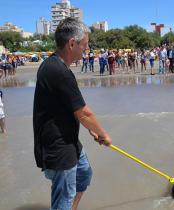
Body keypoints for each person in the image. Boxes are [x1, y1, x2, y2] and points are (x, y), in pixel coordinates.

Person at [33, 17, 112, 210]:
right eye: (84, 46)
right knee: (63, 199)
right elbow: (85, 112)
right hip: (59, 147)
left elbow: (69, 106)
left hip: (70, 141)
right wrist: (104, 135)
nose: (86, 50)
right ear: (71, 43)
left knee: (84, 174)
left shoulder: (55, 65)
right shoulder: (58, 70)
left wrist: (90, 130)